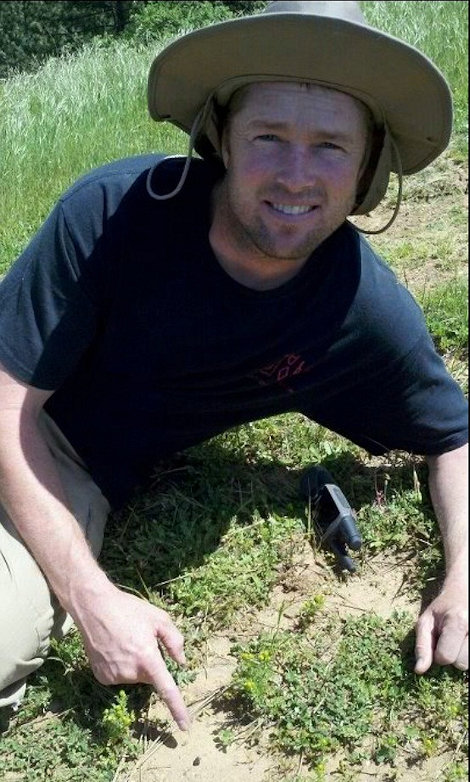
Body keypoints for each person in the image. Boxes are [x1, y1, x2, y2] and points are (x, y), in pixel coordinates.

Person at [0, 0, 467, 733]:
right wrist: (92, 601)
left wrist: (463, 580)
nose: (294, 175)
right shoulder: (112, 217)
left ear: (370, 166)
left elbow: (453, 436)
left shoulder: (355, 308)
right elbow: (7, 406)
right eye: (269, 136)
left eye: (330, 147)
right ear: (221, 136)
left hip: (61, 471)